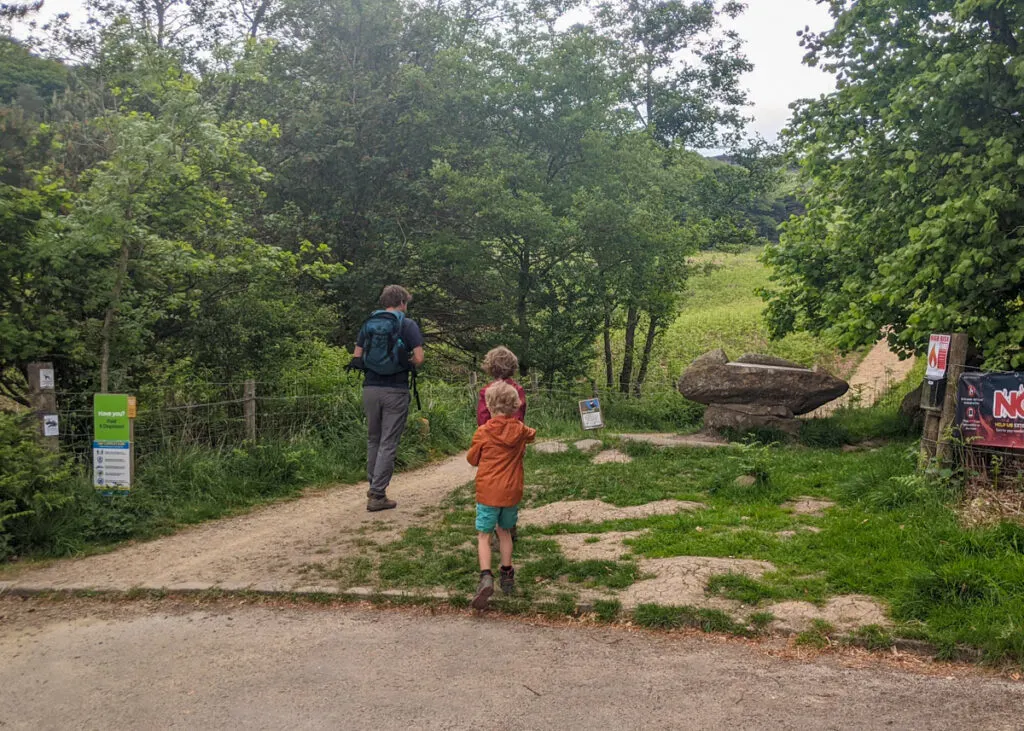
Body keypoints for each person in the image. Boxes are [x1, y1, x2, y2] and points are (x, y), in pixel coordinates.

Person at [351, 285, 425, 512]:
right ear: (402, 302)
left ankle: (374, 484)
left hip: (370, 387)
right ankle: (377, 494)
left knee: (373, 439)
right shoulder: (407, 324)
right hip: (395, 389)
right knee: (388, 442)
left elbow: (356, 356)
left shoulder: (369, 323)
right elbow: (419, 358)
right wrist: (405, 365)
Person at [466, 381, 536, 609]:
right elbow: (531, 434)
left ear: (489, 405)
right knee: (504, 532)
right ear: (516, 405)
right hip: (511, 491)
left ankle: (486, 576)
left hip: (488, 492)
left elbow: (472, 459)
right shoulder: (520, 430)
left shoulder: (483, 432)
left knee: (484, 535)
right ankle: (507, 574)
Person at [476, 346, 527, 426]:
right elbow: (518, 417)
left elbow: (482, 420)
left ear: (490, 367)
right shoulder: (517, 389)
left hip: (491, 435)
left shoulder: (486, 391)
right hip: (514, 435)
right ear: (513, 366)